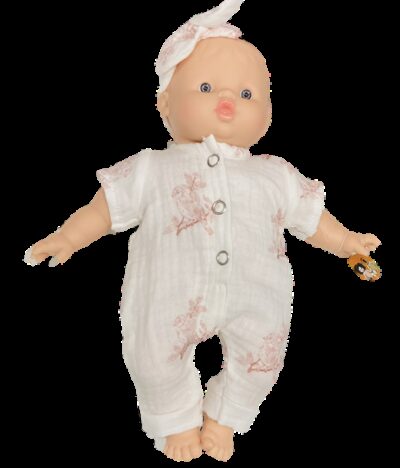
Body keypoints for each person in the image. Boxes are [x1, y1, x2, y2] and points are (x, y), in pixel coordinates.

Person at [24, 0, 381, 462]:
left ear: (269, 112)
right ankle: (174, 420)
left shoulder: (275, 174)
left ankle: (225, 417)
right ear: (165, 103)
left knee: (263, 361)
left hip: (257, 297)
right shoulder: (151, 168)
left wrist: (347, 241)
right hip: (168, 297)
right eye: (207, 88)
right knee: (152, 356)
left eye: (248, 94)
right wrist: (68, 236)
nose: (227, 101)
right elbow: (104, 209)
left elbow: (313, 219)